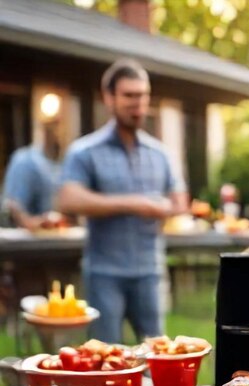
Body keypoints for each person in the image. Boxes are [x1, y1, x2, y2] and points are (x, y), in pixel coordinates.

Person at [58, 58, 188, 344]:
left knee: (158, 356)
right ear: (109, 98)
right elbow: (68, 198)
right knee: (104, 357)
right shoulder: (84, 151)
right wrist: (133, 203)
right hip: (104, 274)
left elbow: (179, 201)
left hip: (150, 272)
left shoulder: (160, 153)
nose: (137, 103)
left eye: (142, 95)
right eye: (129, 95)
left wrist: (162, 207)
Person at [1, 122, 63, 231]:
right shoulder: (25, 161)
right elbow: (13, 204)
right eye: (55, 129)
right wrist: (32, 224)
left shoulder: (56, 164)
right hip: (24, 239)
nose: (58, 134)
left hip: (49, 235)